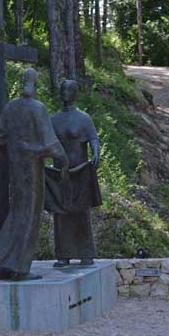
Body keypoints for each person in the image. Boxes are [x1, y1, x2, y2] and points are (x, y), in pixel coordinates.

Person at [0, 68, 69, 280]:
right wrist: (63, 160)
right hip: (32, 170)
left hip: (15, 169)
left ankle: (1, 265)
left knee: (16, 213)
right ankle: (20, 268)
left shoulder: (10, 108)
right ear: (36, 84)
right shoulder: (37, 108)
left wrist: (13, 153)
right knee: (29, 215)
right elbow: (50, 144)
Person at [45, 80, 102, 267]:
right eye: (62, 89)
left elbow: (93, 138)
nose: (65, 92)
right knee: (61, 215)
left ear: (75, 93)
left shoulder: (83, 119)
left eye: (69, 89)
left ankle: (86, 253)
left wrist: (96, 152)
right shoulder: (52, 119)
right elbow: (46, 144)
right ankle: (63, 254)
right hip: (60, 173)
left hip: (80, 172)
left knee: (81, 213)